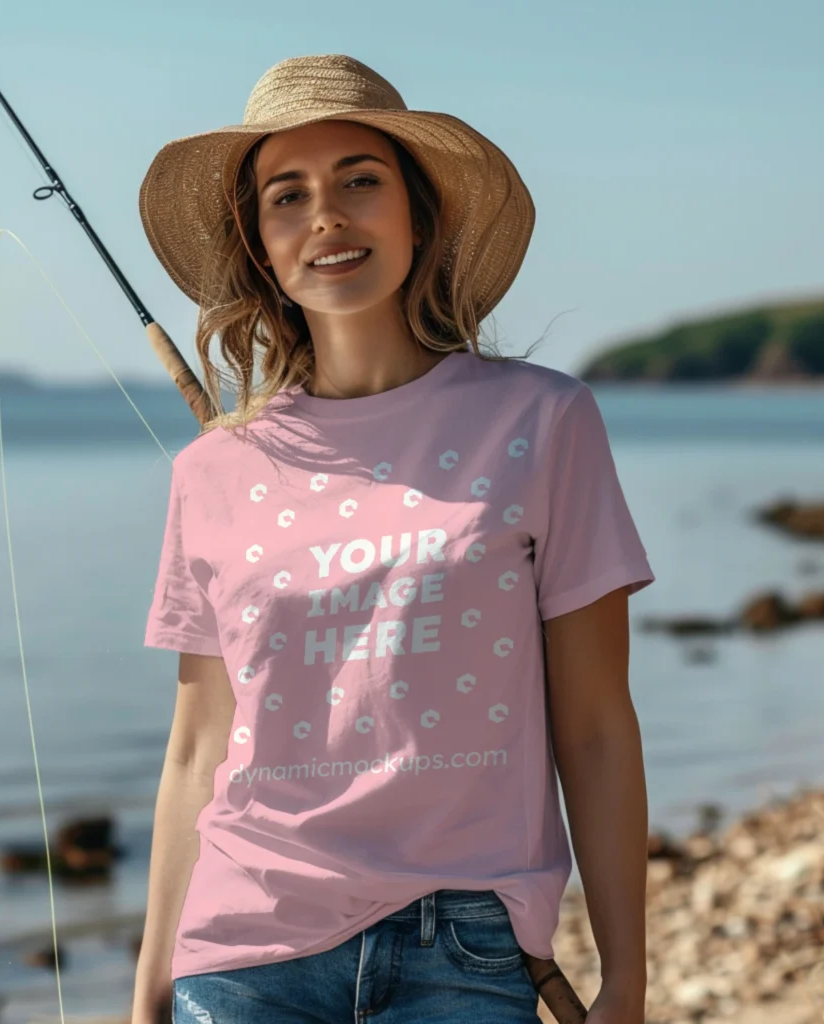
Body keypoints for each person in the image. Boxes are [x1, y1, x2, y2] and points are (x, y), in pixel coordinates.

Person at [132, 54, 654, 1024]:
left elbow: (593, 722)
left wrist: (624, 975)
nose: (325, 216)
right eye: (288, 196)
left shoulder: (541, 422)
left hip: (463, 942)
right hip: (243, 944)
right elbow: (196, 749)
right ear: (260, 244)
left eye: (358, 181)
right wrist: (147, 991)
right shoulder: (210, 471)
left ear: (419, 212)